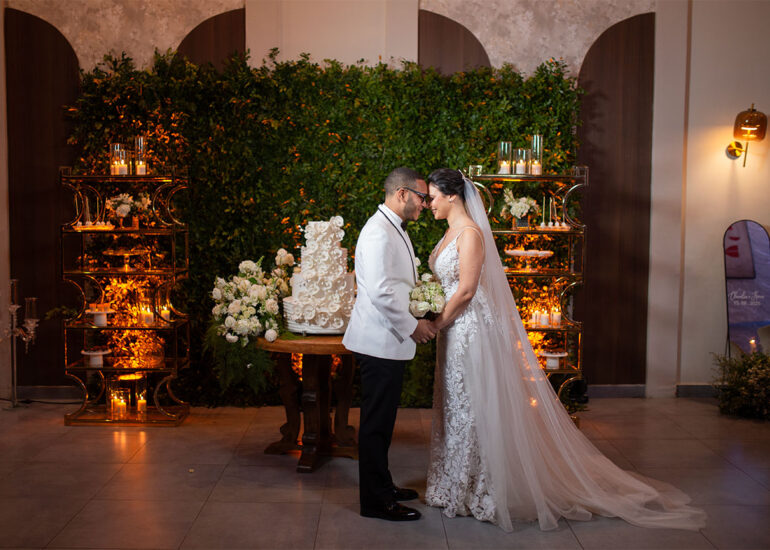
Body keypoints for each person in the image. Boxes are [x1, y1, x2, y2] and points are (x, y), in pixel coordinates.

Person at [423, 168, 707, 532]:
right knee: (456, 405)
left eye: (433, 196)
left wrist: (436, 322)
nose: (429, 203)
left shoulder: (470, 233)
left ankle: (481, 489)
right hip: (454, 329)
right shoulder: (449, 232)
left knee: (473, 407)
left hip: (469, 330)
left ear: (452, 196)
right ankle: (454, 485)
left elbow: (466, 290)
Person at [343, 167, 436, 522]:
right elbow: (382, 291)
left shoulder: (391, 226)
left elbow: (396, 284)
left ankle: (383, 486)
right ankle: (375, 502)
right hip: (379, 341)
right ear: (402, 194)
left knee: (382, 423)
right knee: (375, 425)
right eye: (422, 197)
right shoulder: (378, 232)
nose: (425, 204)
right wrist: (414, 327)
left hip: (385, 340)